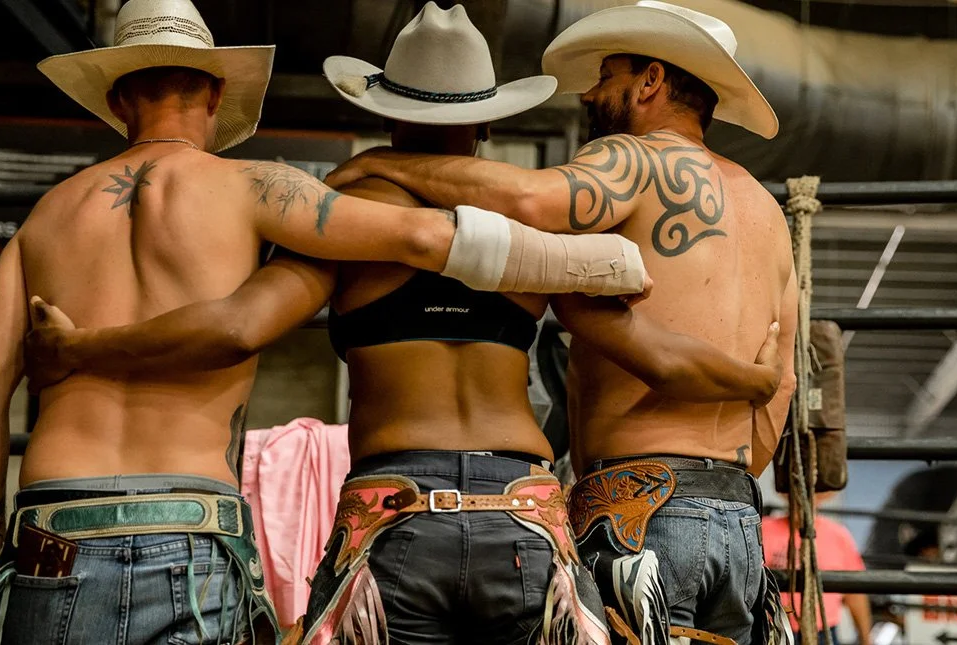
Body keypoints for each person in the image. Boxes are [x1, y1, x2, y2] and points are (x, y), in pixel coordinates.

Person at [22, 3, 785, 643]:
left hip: (395, 515)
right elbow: (657, 354)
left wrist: (83, 346)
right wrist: (754, 379)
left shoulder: (344, 220)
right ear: (485, 125)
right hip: (522, 518)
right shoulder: (536, 244)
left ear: (384, 113)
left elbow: (236, 326)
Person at [321, 2, 798, 642]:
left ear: (651, 81)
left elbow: (528, 200)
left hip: (639, 511)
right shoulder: (765, 208)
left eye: (606, 75)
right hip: (737, 513)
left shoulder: (633, 158)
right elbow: (782, 380)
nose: (591, 93)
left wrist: (383, 162)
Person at [762, 496, 873, 645]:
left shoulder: (838, 535)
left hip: (822, 631)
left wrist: (866, 639)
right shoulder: (764, 529)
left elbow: (854, 593)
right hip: (773, 629)